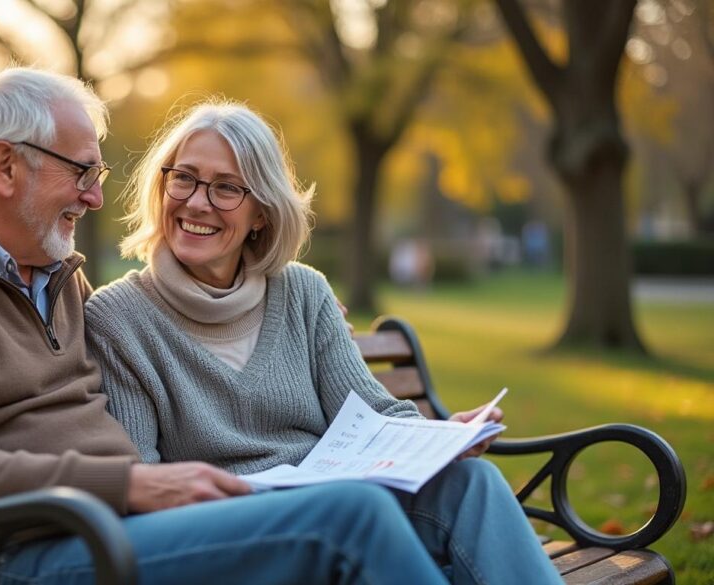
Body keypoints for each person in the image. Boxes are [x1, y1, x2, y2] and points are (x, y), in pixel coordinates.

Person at [0, 67, 450, 585]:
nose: (95, 197)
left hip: (114, 532)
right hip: (13, 556)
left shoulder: (57, 281)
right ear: (6, 167)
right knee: (349, 518)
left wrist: (293, 310)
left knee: (449, 489)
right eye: (82, 172)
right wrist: (126, 484)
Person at [84, 100, 564, 584]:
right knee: (357, 509)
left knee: (473, 482)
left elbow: (373, 413)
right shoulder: (118, 318)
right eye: (184, 178)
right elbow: (145, 481)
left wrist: (440, 438)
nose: (196, 202)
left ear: (261, 214)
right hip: (240, 536)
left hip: (348, 509)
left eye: (226, 187)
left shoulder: (303, 291)